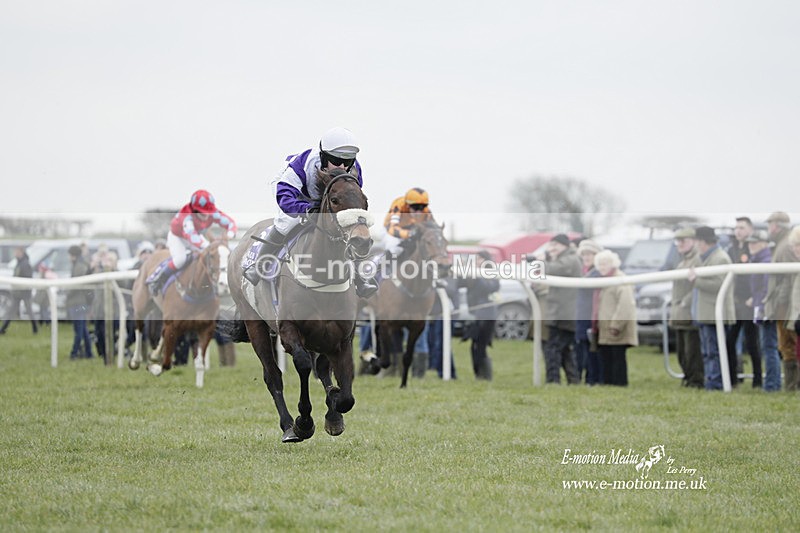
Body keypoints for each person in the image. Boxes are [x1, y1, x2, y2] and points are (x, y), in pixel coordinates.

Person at [244, 127, 377, 297]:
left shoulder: (354, 169)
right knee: (286, 223)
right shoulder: (303, 164)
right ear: (323, 156)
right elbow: (284, 198)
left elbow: (350, 200)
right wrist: (305, 210)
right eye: (336, 160)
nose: (343, 166)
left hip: (328, 200)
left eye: (348, 161)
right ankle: (259, 265)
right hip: (296, 195)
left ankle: (360, 278)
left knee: (350, 229)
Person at [146, 189, 237, 296]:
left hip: (197, 236)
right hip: (178, 237)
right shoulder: (187, 216)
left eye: (207, 212)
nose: (205, 215)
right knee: (181, 259)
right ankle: (158, 279)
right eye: (201, 212)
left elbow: (230, 223)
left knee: (211, 257)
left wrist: (229, 235)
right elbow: (191, 236)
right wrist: (209, 246)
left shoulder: (213, 212)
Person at [687, 226, 735, 391]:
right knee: (708, 351)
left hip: (714, 313)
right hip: (707, 313)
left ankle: (715, 384)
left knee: (713, 352)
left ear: (703, 241)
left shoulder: (720, 258)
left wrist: (696, 281)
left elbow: (719, 285)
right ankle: (713, 382)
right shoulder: (705, 258)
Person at [541, 234, 582, 384]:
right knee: (565, 350)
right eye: (551, 245)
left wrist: (541, 260)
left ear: (565, 245)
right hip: (562, 312)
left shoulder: (570, 260)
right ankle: (573, 380)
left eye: (555, 245)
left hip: (564, 313)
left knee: (553, 348)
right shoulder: (568, 258)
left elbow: (551, 269)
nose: (552, 249)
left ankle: (553, 381)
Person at [725, 216, 761, 387]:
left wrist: (754, 297)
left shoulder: (753, 248)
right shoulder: (731, 250)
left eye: (742, 227)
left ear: (750, 230)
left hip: (749, 302)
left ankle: (757, 380)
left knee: (752, 343)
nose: (738, 231)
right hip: (735, 302)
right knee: (730, 341)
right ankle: (732, 379)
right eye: (736, 227)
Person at [764, 211, 798, 391]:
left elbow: (791, 277)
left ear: (777, 226)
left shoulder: (786, 246)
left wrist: (780, 300)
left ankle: (793, 385)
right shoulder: (783, 244)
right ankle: (791, 385)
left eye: (770, 224)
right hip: (784, 302)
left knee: (789, 344)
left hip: (786, 304)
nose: (769, 228)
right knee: (786, 345)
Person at [593, 250, 637, 386]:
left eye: (605, 264)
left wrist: (616, 324)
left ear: (613, 264)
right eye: (599, 264)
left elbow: (626, 304)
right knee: (606, 357)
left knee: (617, 358)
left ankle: (619, 384)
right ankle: (609, 383)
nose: (602, 267)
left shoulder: (621, 280)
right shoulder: (605, 280)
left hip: (616, 327)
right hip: (605, 327)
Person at [670, 227, 703, 388]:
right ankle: (688, 377)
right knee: (682, 351)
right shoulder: (682, 261)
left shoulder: (697, 259)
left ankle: (696, 380)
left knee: (692, 351)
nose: (680, 244)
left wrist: (686, 302)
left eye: (684, 241)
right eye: (678, 241)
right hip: (679, 312)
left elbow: (697, 285)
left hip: (689, 311)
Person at [747, 230, 780, 391]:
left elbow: (767, 288)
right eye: (750, 242)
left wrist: (761, 307)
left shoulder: (765, 261)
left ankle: (772, 385)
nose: (751, 246)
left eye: (754, 242)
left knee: (769, 347)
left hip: (767, 309)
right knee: (768, 346)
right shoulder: (759, 260)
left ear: (764, 244)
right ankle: (772, 383)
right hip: (762, 306)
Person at [458, 250, 500, 380]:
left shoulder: (491, 273)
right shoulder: (474, 274)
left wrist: (477, 276)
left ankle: (484, 376)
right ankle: (480, 375)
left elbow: (490, 287)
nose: (477, 262)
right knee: (475, 346)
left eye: (480, 259)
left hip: (487, 315)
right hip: (476, 314)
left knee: (480, 346)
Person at [574, 239, 603, 384]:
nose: (586, 257)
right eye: (584, 254)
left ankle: (592, 379)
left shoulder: (597, 273)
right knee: (581, 349)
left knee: (591, 350)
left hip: (591, 317)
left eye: (590, 254)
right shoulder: (583, 272)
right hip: (581, 315)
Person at [383, 188, 435, 260]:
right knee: (394, 248)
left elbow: (433, 229)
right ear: (407, 205)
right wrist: (410, 234)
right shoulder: (398, 205)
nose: (418, 212)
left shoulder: (426, 211)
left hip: (411, 230)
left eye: (422, 207)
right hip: (390, 230)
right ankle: (383, 267)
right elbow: (392, 229)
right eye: (415, 207)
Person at [0, 247, 38, 335]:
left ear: (21, 252)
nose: (15, 254)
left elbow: (27, 279)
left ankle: (35, 329)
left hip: (24, 292)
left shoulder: (25, 264)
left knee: (29, 311)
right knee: (11, 311)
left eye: (17, 252)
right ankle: (3, 329)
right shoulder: (20, 263)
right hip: (17, 292)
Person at [66, 245, 93, 359]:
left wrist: (67, 294)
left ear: (73, 255)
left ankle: (74, 352)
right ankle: (88, 352)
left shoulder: (80, 266)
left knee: (79, 328)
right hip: (80, 302)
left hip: (79, 303)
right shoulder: (80, 265)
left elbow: (76, 285)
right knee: (82, 328)